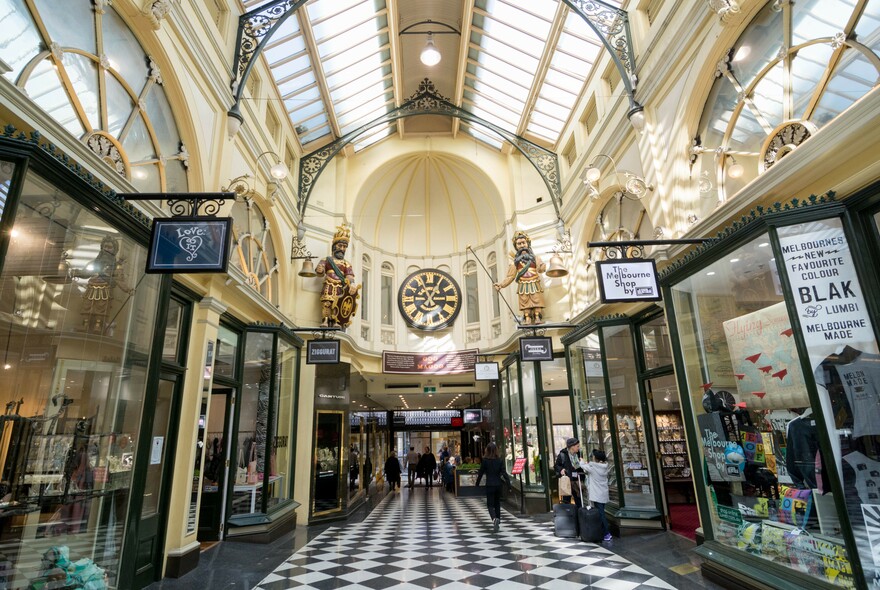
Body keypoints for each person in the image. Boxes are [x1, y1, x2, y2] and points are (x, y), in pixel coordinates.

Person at [494, 230, 546, 325]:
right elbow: (510, 277)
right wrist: (501, 284)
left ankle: (537, 317)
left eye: (523, 243)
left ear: (527, 243)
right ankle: (527, 318)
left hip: (534, 282)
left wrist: (542, 267)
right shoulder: (515, 262)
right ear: (516, 246)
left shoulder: (535, 258)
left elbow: (541, 268)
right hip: (522, 285)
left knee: (536, 299)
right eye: (519, 244)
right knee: (525, 302)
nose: (522, 246)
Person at [314, 224, 360, 327]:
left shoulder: (346, 263)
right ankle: (325, 320)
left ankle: (336, 321)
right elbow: (320, 271)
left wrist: (352, 284)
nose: (342, 249)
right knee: (327, 303)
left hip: (340, 287)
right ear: (334, 246)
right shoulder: (327, 259)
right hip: (329, 284)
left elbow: (349, 275)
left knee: (337, 304)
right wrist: (320, 269)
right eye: (340, 246)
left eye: (344, 247)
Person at [475, 443, 511, 531]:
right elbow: (504, 473)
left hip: (490, 485)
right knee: (497, 503)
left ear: (487, 450)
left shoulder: (485, 461)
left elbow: (480, 473)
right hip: (498, 485)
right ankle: (498, 519)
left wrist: (477, 483)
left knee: (490, 504)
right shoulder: (499, 460)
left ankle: (494, 518)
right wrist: (508, 483)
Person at [583, 449, 612, 542]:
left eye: (593, 456)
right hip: (603, 493)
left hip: (596, 494)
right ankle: (604, 532)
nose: (592, 457)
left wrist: (581, 461)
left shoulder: (593, 467)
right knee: (601, 511)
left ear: (595, 458)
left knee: (601, 514)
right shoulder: (605, 467)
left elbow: (582, 466)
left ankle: (607, 533)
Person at [554, 437, 586, 507]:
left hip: (576, 481)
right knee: (566, 502)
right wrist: (561, 469)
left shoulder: (578, 454)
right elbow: (556, 466)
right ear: (572, 446)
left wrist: (582, 476)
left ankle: (579, 516)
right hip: (567, 481)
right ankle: (568, 516)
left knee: (579, 501)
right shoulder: (563, 455)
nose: (578, 448)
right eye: (577, 446)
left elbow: (579, 467)